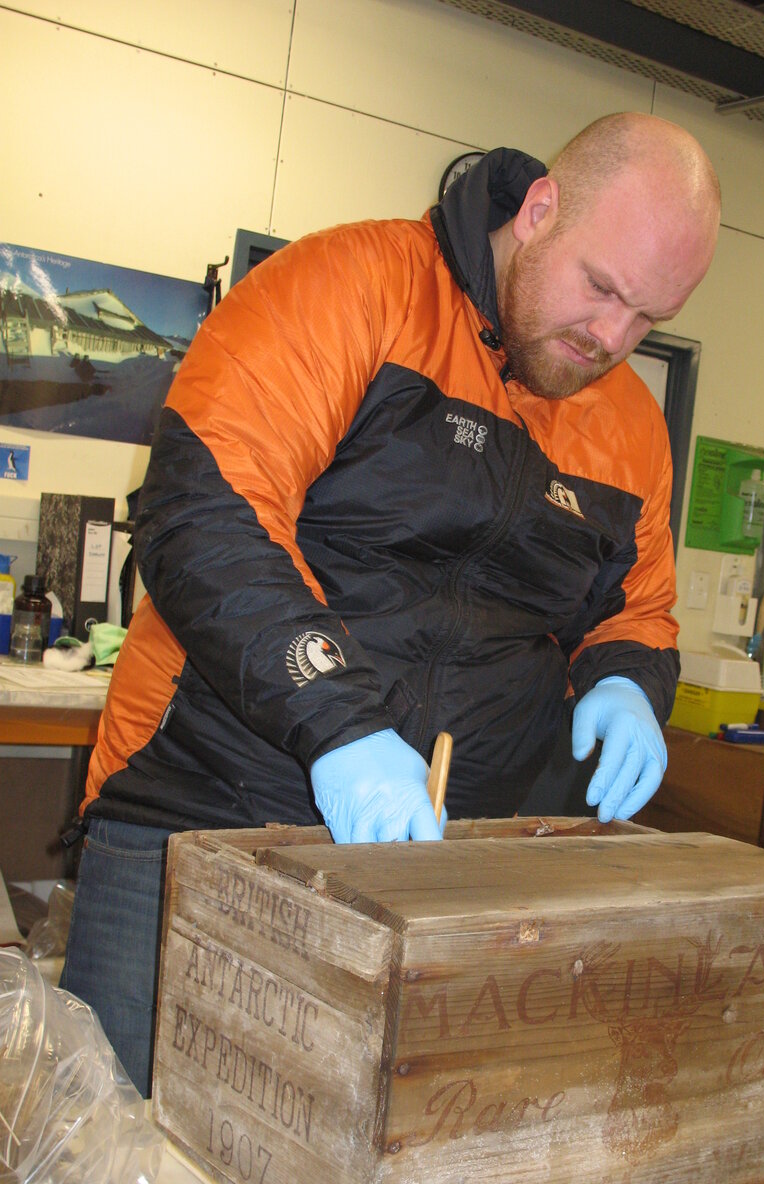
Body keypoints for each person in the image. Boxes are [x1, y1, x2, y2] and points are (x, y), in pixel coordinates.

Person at [62, 112, 721, 1093]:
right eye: (601, 290)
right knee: (116, 1160)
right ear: (539, 209)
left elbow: (631, 609)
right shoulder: (350, 287)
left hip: (429, 871)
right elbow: (205, 511)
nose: (611, 339)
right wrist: (338, 725)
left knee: (332, 1178)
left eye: (648, 321)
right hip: (200, 828)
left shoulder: (625, 423)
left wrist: (628, 680)